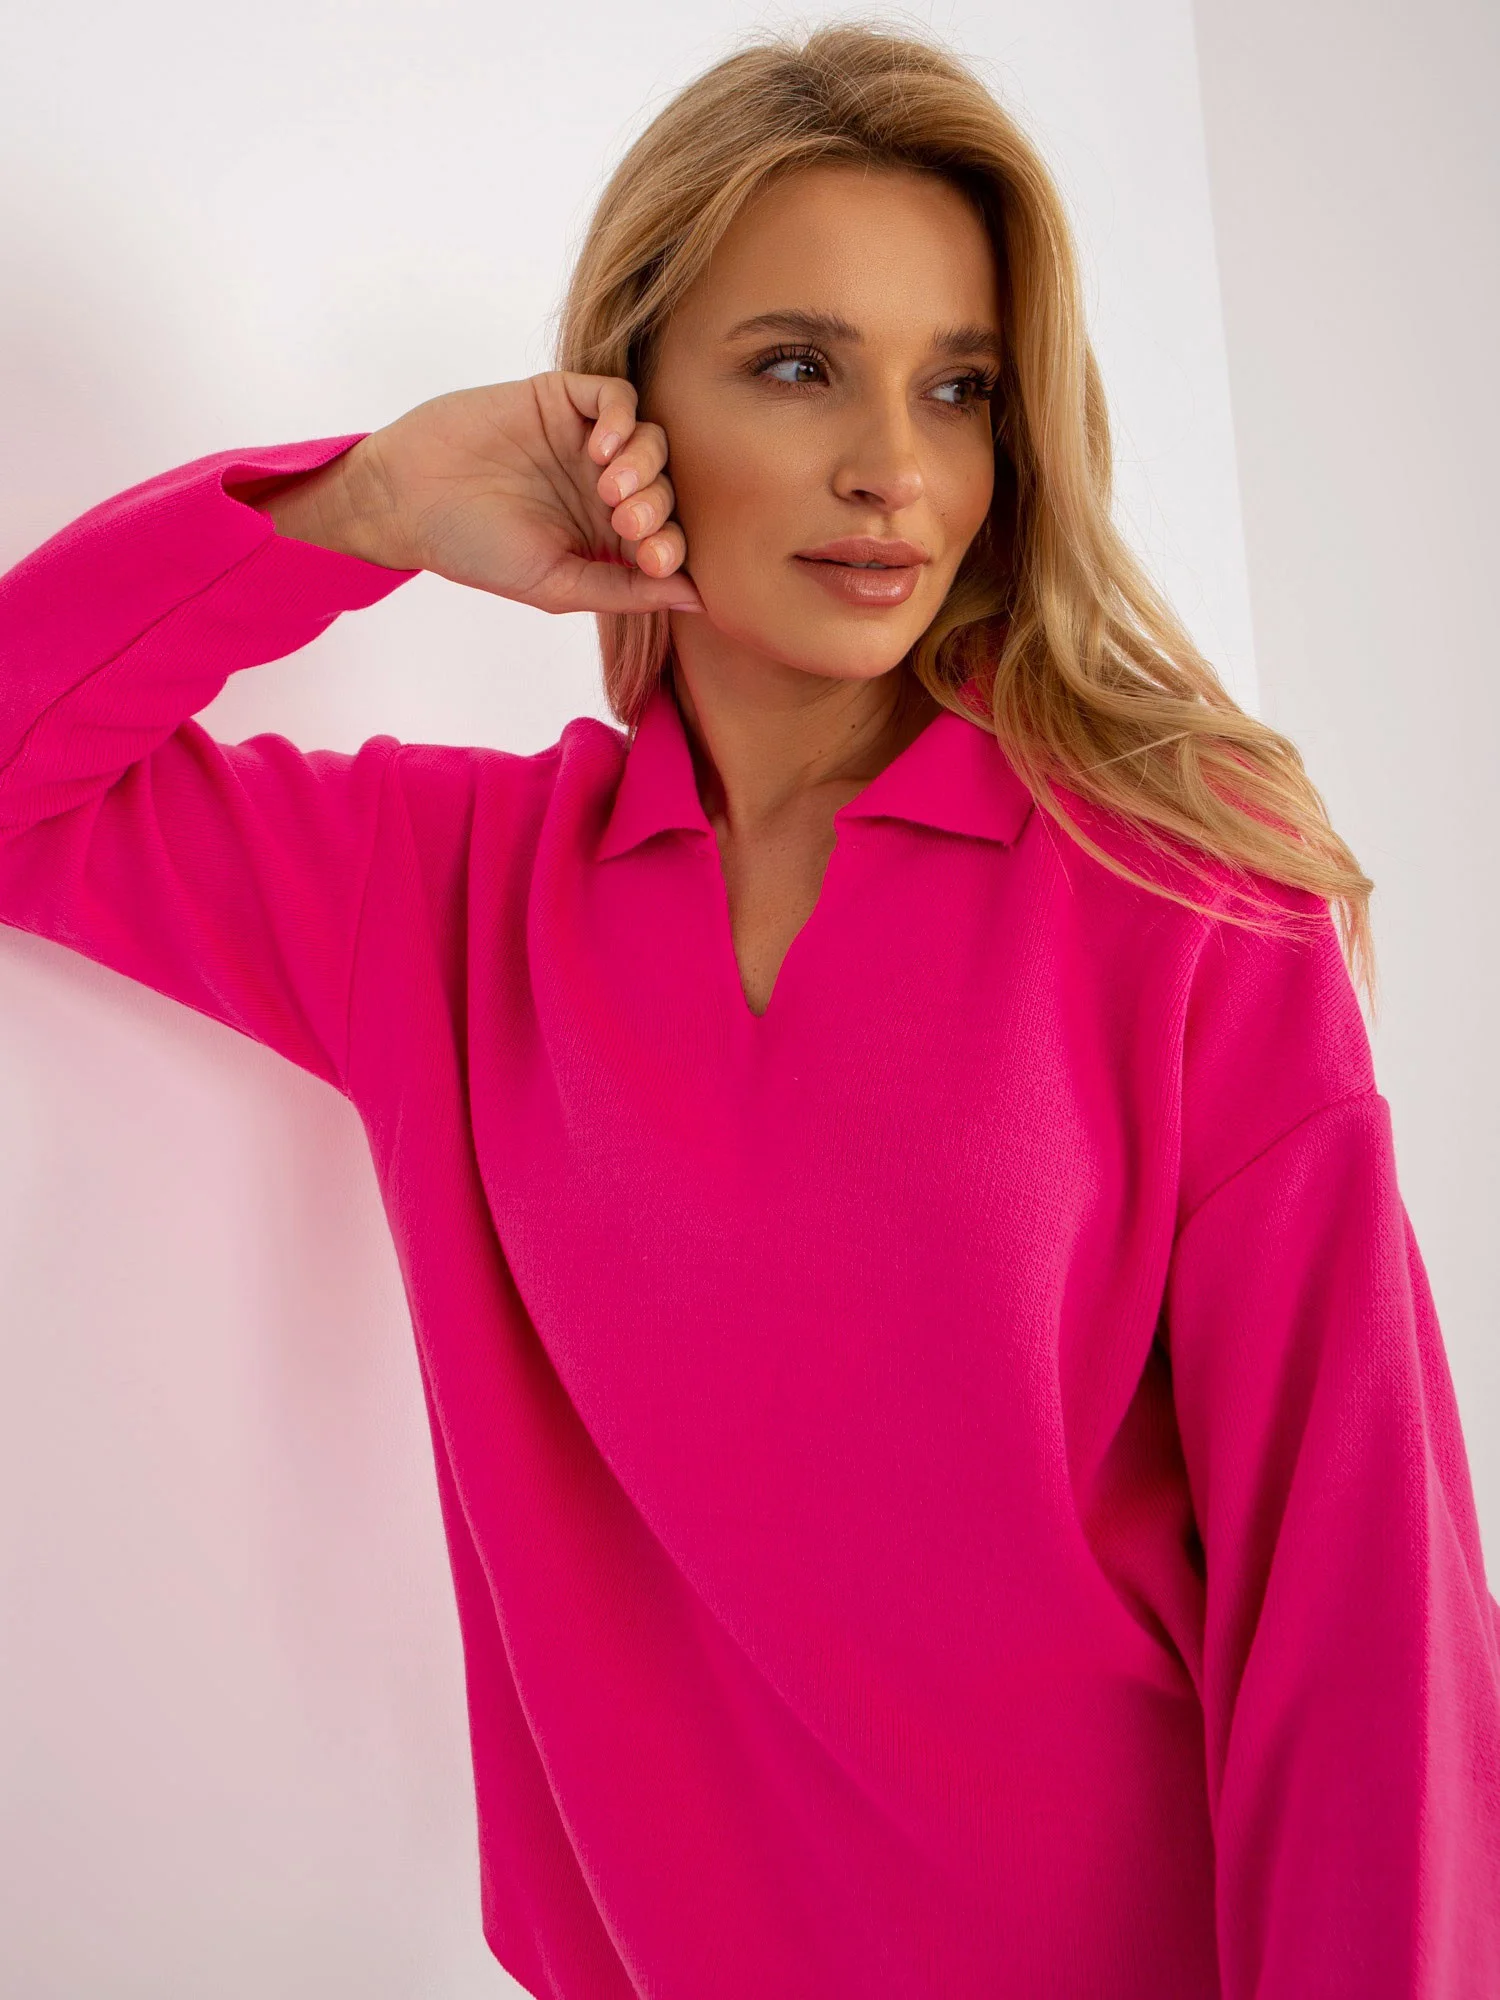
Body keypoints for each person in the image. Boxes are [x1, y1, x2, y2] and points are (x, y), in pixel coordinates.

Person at [1, 19, 1496, 1997]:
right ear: (622, 404)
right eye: (799, 366)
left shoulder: (1180, 894)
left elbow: (1363, 1610)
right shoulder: (449, 900)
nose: (893, 468)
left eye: (958, 388)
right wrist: (368, 502)